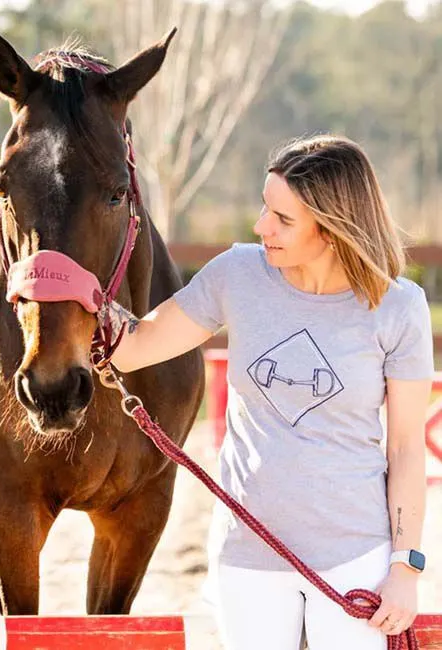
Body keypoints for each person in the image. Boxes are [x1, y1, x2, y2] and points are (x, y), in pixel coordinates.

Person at [100, 135, 433, 649]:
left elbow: (406, 449)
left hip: (355, 558)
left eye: (282, 218)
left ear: (332, 228)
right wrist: (76, 293)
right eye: (264, 207)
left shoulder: (398, 307)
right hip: (246, 554)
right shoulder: (238, 274)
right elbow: (134, 347)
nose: (261, 226)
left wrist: (405, 568)